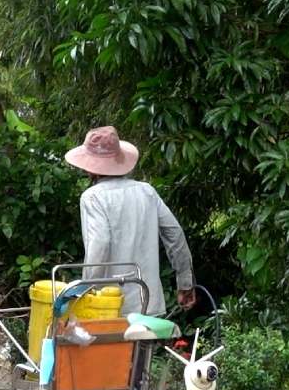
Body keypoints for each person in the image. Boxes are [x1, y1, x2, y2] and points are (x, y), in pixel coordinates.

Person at [65, 126, 195, 317]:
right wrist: (185, 283)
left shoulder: (93, 197)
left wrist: (86, 291)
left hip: (111, 306)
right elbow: (174, 234)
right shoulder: (146, 191)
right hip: (148, 301)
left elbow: (99, 245)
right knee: (143, 348)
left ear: (90, 167)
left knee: (110, 348)